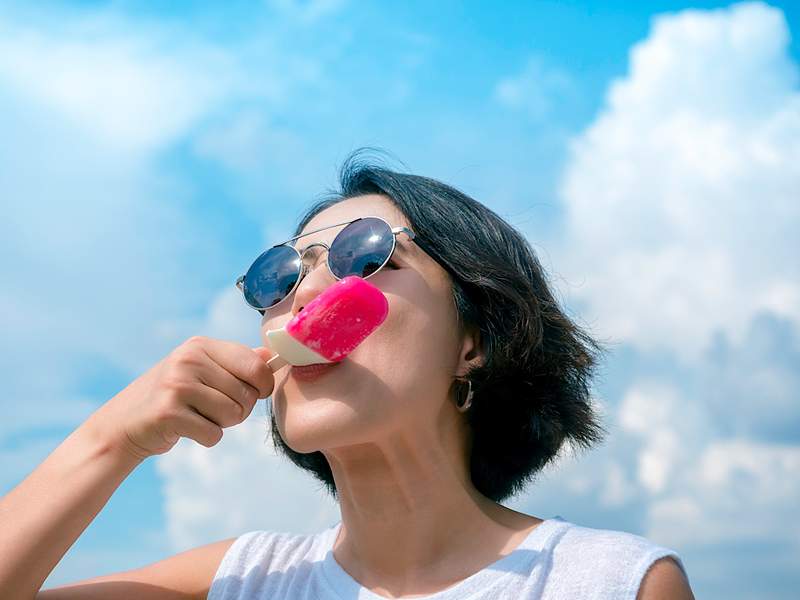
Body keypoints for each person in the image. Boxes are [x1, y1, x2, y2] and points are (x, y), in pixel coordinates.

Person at [1, 149, 694, 599]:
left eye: (365, 257)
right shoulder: (241, 583)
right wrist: (111, 439)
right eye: (281, 276)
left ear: (472, 344)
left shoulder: (611, 583)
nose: (304, 295)